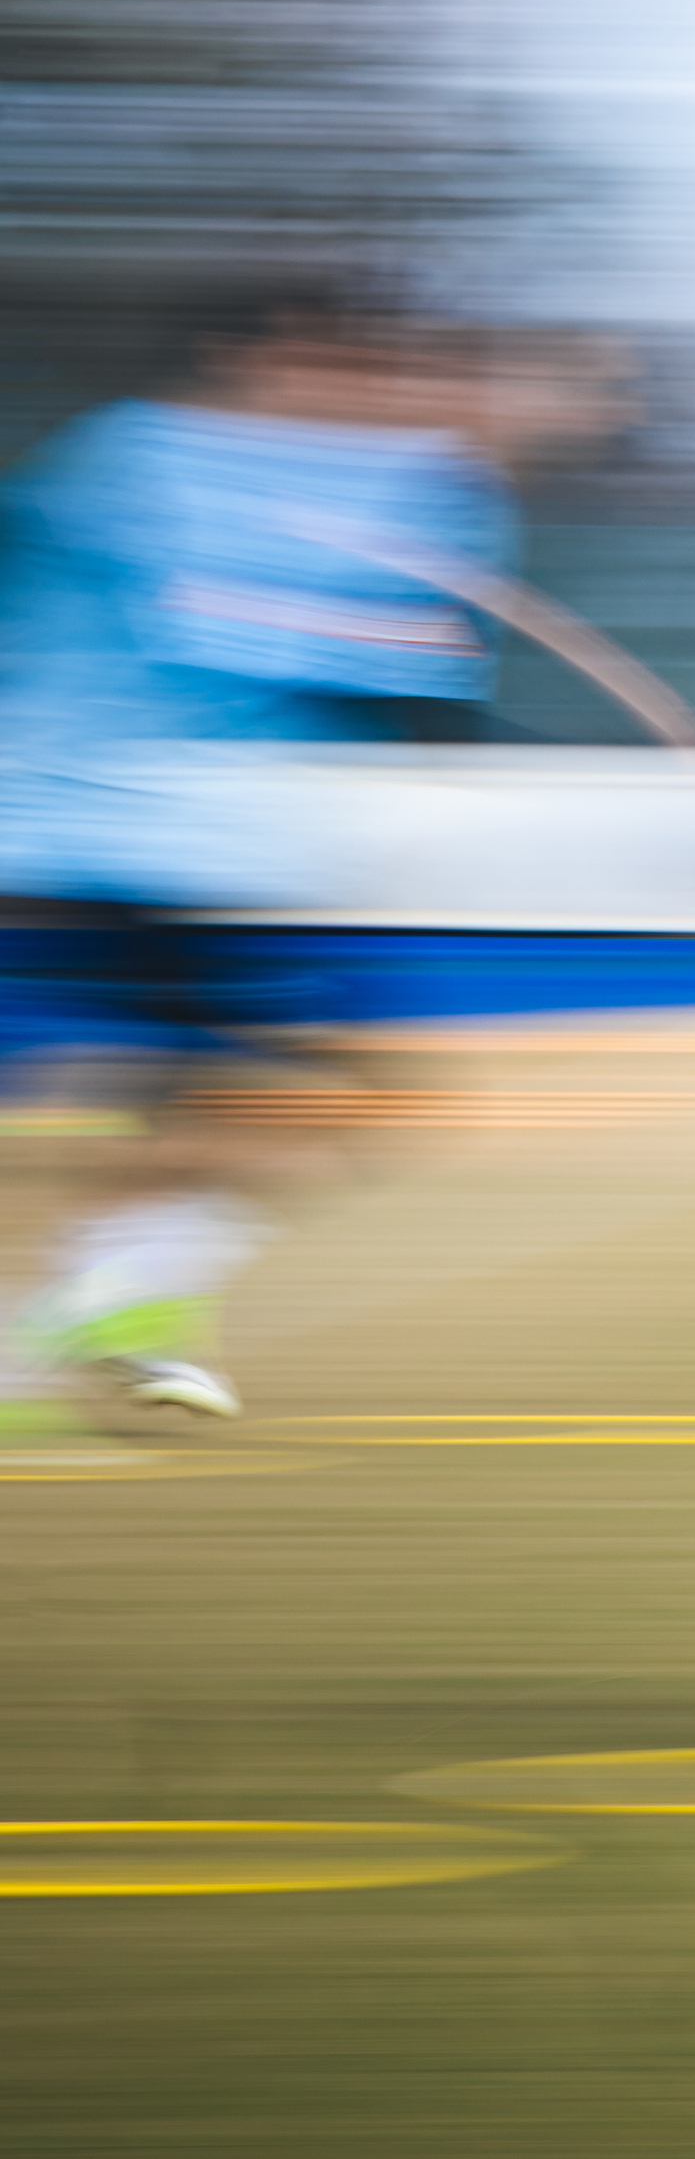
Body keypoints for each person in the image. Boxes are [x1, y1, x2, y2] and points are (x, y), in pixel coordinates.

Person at [0, 282, 522, 1437]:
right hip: (117, 842)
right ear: (254, 358)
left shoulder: (361, 475)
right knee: (331, 1094)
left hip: (180, 850)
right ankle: (81, 1314)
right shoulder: (154, 458)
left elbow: (401, 675)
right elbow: (254, 632)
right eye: (340, 359)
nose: (366, 385)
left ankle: (103, 1315)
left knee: (226, 1100)